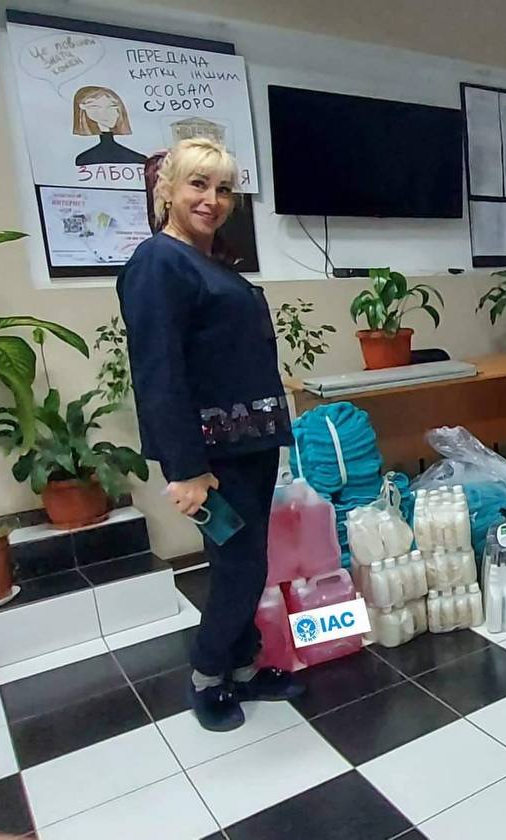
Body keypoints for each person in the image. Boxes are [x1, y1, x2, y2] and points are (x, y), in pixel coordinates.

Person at [118, 137, 302, 731]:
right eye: (198, 184)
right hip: (212, 456)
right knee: (238, 568)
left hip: (249, 445)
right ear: (166, 190)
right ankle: (206, 674)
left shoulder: (209, 261)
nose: (212, 199)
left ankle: (242, 666)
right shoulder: (158, 261)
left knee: (248, 562)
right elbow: (159, 372)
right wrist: (185, 468)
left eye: (223, 189)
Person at [72, 86, 146, 165]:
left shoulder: (136, 158)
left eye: (112, 106)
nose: (106, 113)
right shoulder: (85, 159)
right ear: (82, 108)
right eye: (95, 106)